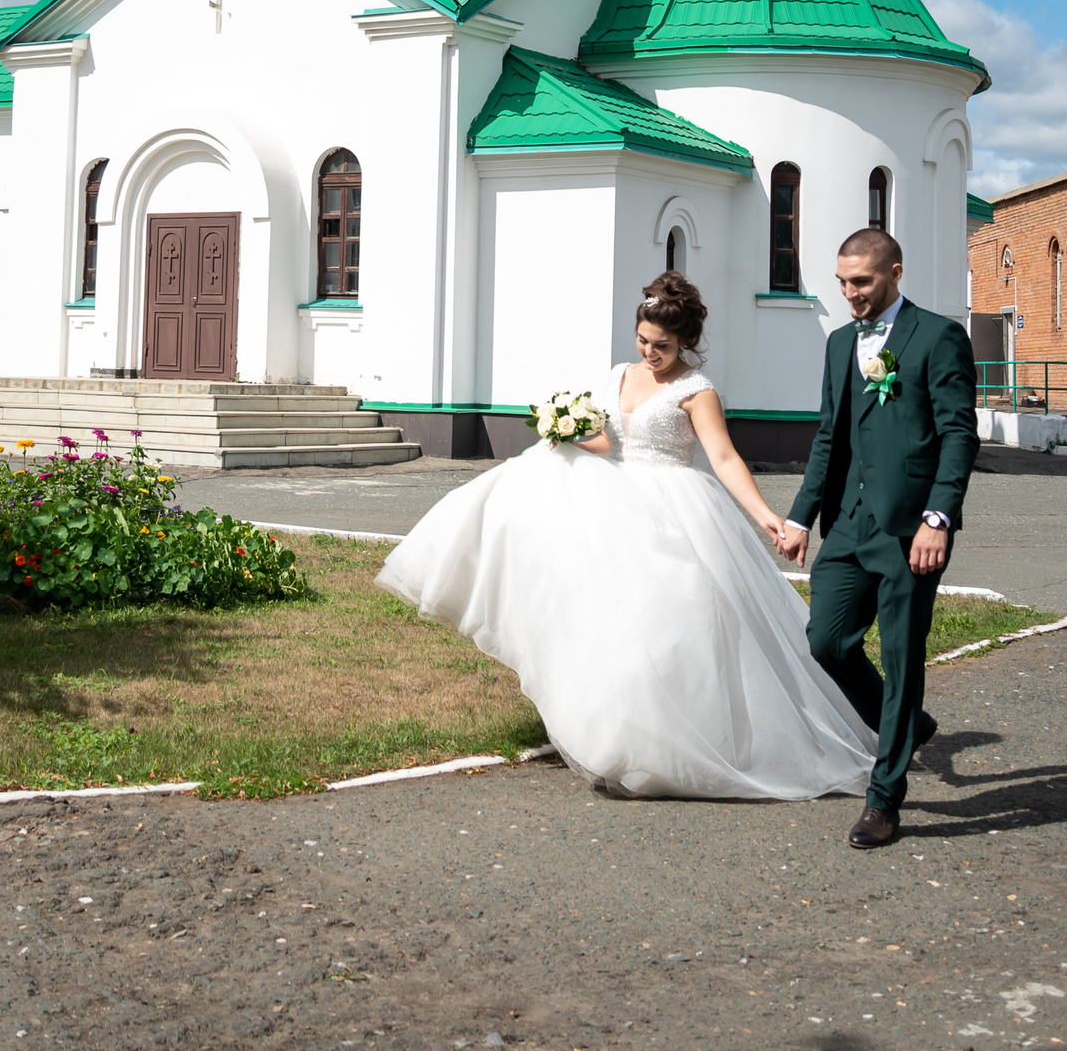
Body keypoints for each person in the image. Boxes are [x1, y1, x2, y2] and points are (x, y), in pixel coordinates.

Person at [377, 272, 876, 800]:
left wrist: (764, 515)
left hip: (677, 507)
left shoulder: (697, 391)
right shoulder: (619, 373)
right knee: (607, 623)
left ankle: (683, 743)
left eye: (662, 346)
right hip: (612, 503)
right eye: (643, 341)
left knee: (672, 624)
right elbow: (603, 437)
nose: (650, 352)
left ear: (686, 341)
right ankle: (617, 740)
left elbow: (724, 458)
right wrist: (564, 429)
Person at [779, 227, 978, 849]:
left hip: (910, 528)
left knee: (901, 655)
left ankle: (884, 798)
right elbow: (828, 437)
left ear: (895, 271)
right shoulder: (840, 343)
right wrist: (801, 516)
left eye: (861, 281)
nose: (850, 294)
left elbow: (958, 435)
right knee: (826, 641)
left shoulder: (939, 337)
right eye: (842, 282)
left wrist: (938, 518)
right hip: (848, 523)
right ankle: (907, 723)